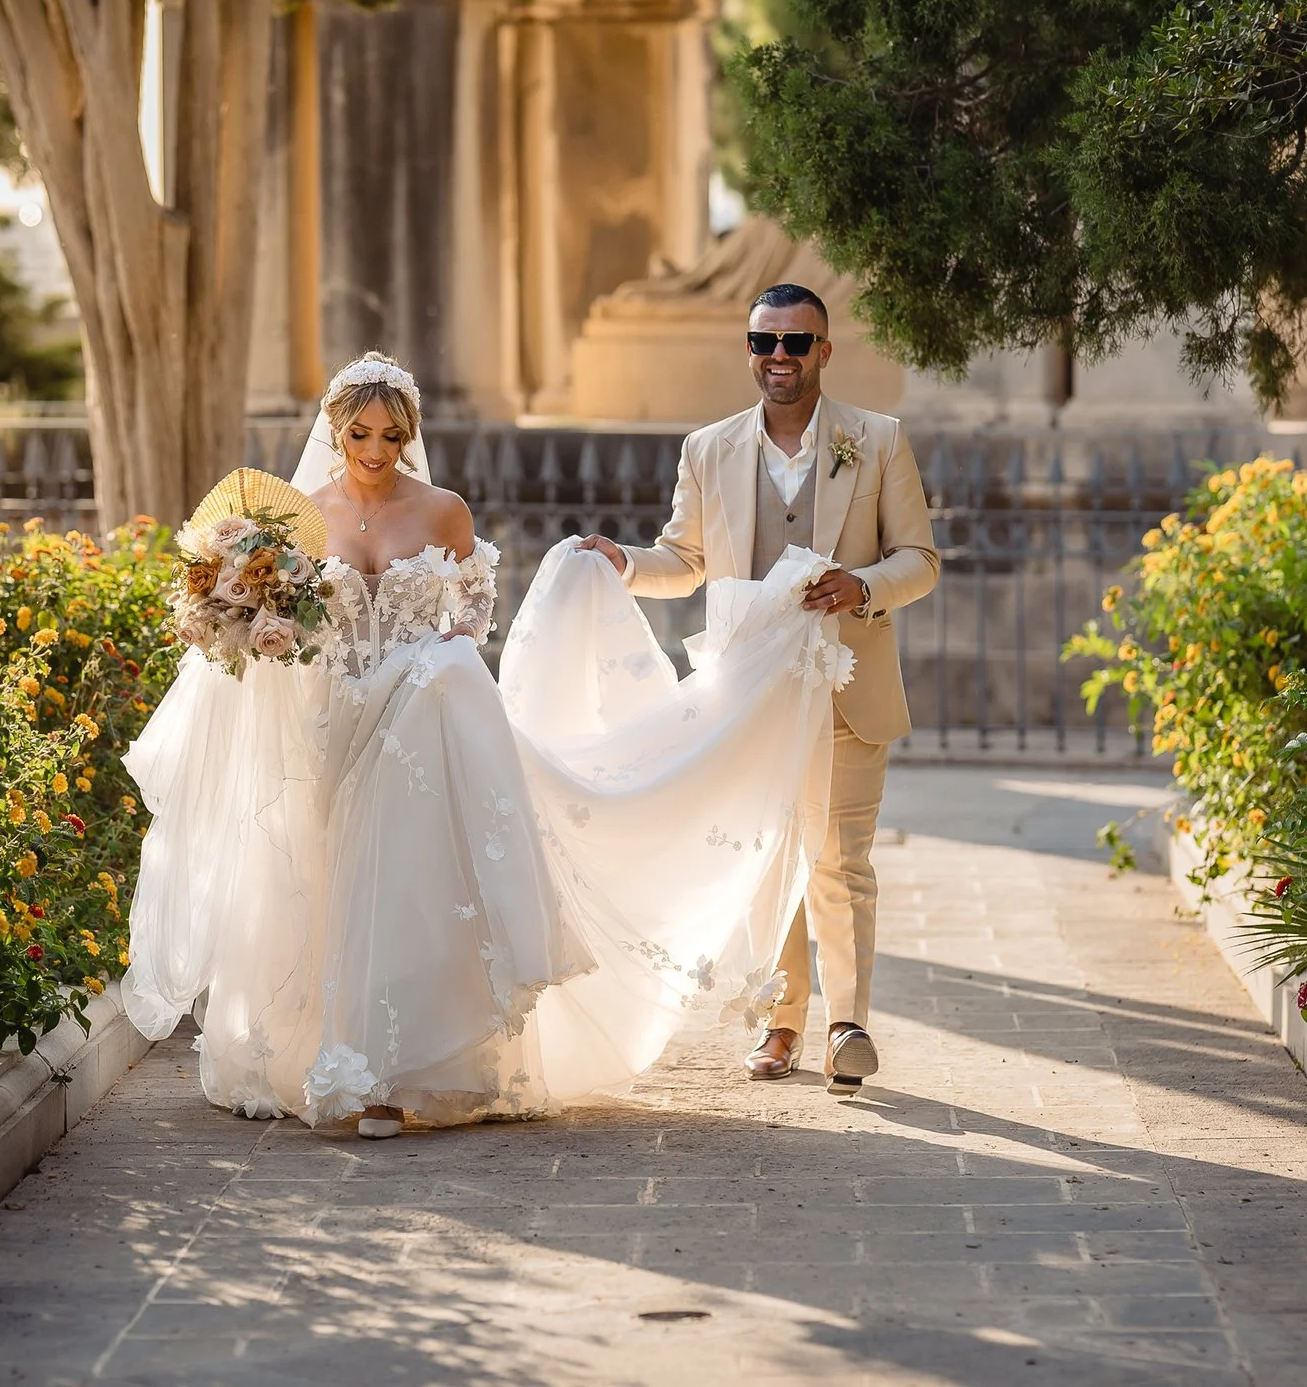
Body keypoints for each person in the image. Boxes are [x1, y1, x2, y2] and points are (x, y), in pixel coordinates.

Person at [122, 353, 859, 1136]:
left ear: (410, 434)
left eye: (392, 435)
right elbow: (279, 621)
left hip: (415, 716)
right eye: (361, 434)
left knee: (398, 880)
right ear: (335, 431)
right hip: (326, 719)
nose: (376, 450)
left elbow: (472, 609)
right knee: (320, 878)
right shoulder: (297, 519)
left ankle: (386, 1076)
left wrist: (444, 646)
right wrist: (251, 624)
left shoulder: (442, 510)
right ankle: (315, 1054)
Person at [578, 284, 938, 1094]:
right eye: (764, 342)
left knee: (839, 861)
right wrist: (625, 564)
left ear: (824, 351)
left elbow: (920, 559)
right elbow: (686, 560)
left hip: (846, 690)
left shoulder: (878, 440)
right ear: (748, 351)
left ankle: (846, 1026)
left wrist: (863, 585)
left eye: (796, 343)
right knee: (769, 861)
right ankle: (783, 1023)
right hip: (750, 701)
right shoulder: (708, 450)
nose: (779, 356)